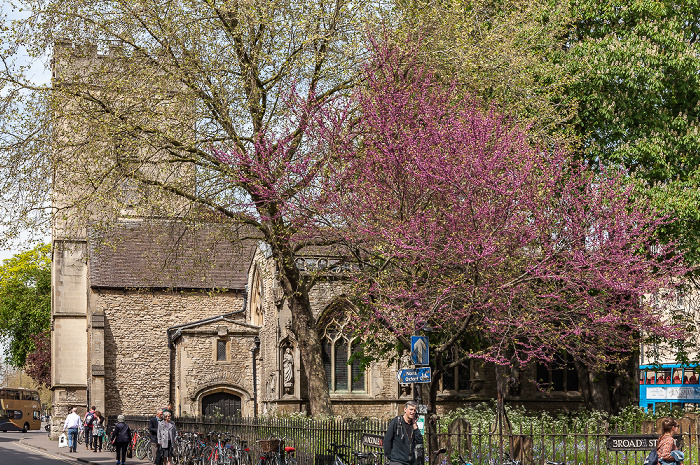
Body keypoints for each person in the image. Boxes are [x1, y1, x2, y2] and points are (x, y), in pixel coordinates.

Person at [383, 401, 423, 465]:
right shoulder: (397, 422)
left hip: (411, 462)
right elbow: (387, 440)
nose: (412, 412)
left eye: (414, 410)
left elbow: (420, 440)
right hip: (397, 461)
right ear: (405, 409)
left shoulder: (413, 425)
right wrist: (390, 457)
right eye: (411, 409)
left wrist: (415, 425)